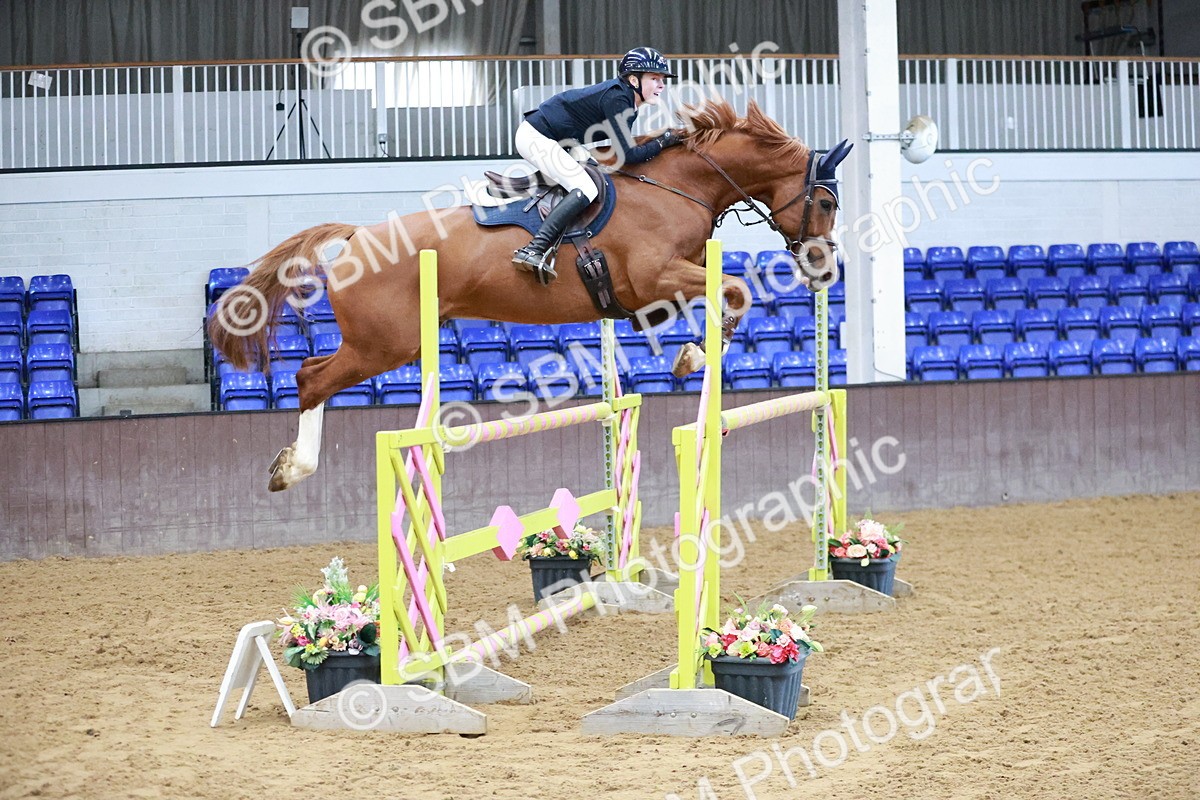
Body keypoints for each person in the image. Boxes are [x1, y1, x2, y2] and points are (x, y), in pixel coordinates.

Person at [511, 46, 684, 280]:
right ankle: (533, 249)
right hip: (537, 137)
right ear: (634, 79)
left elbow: (621, 151)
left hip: (563, 139)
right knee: (586, 189)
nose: (662, 85)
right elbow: (630, 155)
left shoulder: (626, 100)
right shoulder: (618, 99)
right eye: (655, 78)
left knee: (598, 177)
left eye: (662, 79)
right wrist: (664, 141)